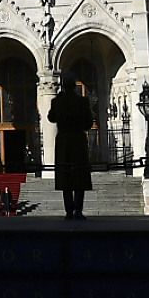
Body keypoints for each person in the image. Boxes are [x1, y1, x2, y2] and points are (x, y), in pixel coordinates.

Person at [48, 77, 94, 220]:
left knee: (65, 175)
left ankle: (69, 211)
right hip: (78, 139)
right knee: (80, 174)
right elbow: (88, 123)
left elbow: (51, 118)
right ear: (74, 86)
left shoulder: (57, 101)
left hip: (63, 140)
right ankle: (78, 210)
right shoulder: (82, 102)